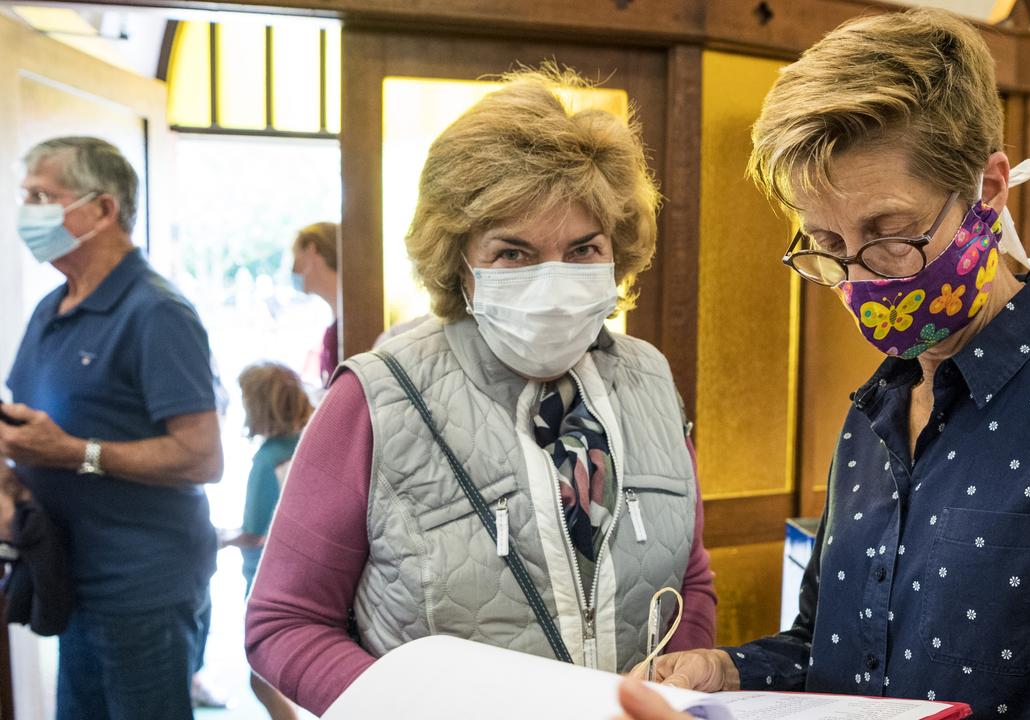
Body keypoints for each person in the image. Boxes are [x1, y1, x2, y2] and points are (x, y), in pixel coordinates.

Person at [616, 9, 1030, 720]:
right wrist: (727, 671)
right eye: (826, 245)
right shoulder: (873, 417)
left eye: (891, 235)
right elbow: (838, 655)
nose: (860, 280)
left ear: (989, 191)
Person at [245, 66, 718, 716]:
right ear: (459, 266)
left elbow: (689, 576)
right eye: (514, 253)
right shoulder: (376, 398)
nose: (553, 280)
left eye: (583, 249)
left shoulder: (651, 380)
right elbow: (282, 624)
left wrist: (667, 689)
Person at [1, 136, 222, 720]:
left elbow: (202, 457)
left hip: (141, 586)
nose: (27, 212)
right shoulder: (53, 307)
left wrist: (75, 453)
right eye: (25, 197)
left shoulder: (156, 312)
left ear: (103, 210)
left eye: (43, 196)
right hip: (69, 573)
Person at [220, 361, 309, 720]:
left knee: (260, 679)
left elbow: (255, 533)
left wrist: (221, 538)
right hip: (303, 575)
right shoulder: (308, 443)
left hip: (265, 583)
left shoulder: (265, 461)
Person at [290, 221, 340, 385]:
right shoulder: (337, 319)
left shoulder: (353, 321)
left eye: (296, 256)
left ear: (312, 250)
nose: (294, 270)